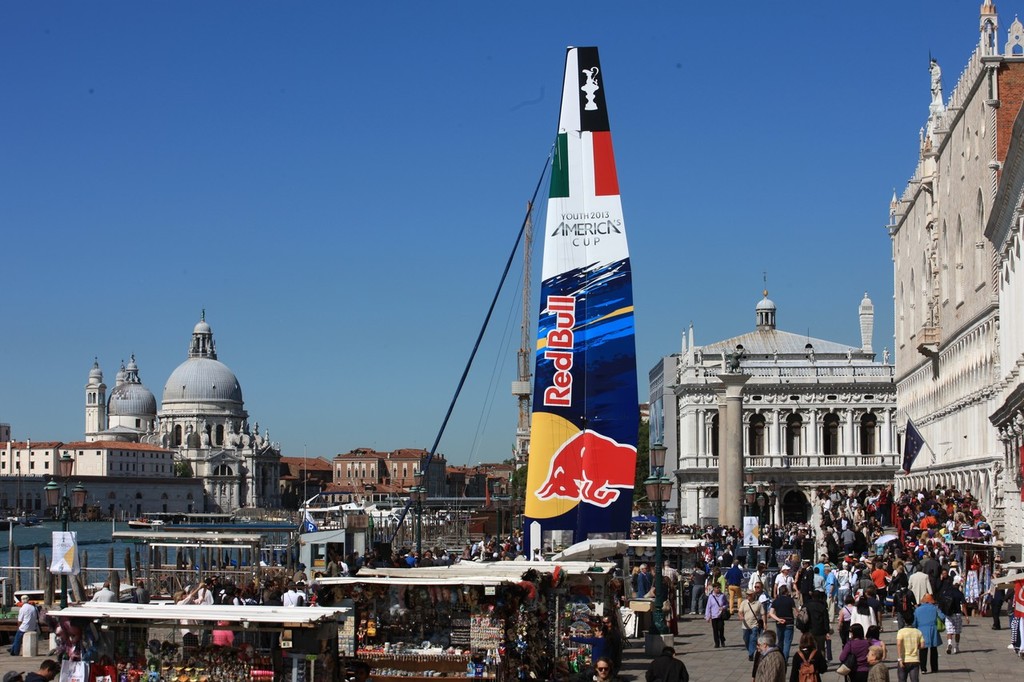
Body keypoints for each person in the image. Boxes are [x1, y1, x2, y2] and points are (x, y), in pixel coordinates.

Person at [911, 594, 946, 674]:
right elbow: (942, 617)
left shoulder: (917, 610)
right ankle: (934, 668)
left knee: (923, 650)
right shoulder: (935, 608)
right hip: (933, 629)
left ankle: (923, 668)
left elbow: (914, 622)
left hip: (921, 630)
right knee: (934, 650)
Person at [939, 580, 967, 655]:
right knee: (957, 632)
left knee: (949, 631)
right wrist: (966, 616)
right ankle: (956, 647)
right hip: (957, 614)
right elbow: (964, 605)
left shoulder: (947, 592)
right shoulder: (960, 593)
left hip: (948, 614)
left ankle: (949, 643)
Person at [769, 584, 797, 660]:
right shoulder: (790, 600)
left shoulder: (776, 601)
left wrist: (778, 619)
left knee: (780, 641)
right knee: (787, 642)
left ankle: (780, 657)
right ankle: (785, 659)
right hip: (789, 622)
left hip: (779, 623)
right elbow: (795, 612)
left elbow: (771, 613)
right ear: (786, 592)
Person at [740, 589, 767, 661]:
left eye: (749, 595)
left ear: (753, 595)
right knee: (746, 639)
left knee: (753, 639)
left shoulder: (758, 604)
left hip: (754, 625)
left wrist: (765, 623)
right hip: (745, 625)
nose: (747, 596)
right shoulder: (744, 603)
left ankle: (751, 654)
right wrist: (741, 616)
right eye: (747, 594)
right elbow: (740, 612)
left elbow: (763, 614)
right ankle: (750, 650)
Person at [704, 583, 728, 648]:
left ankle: (722, 640)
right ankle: (717, 643)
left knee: (721, 628)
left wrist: (723, 607)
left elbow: (726, 604)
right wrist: (707, 616)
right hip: (714, 616)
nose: (718, 589)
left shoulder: (722, 595)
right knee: (715, 630)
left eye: (719, 587)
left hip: (720, 615)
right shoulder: (711, 597)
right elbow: (708, 607)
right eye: (717, 588)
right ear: (714, 588)